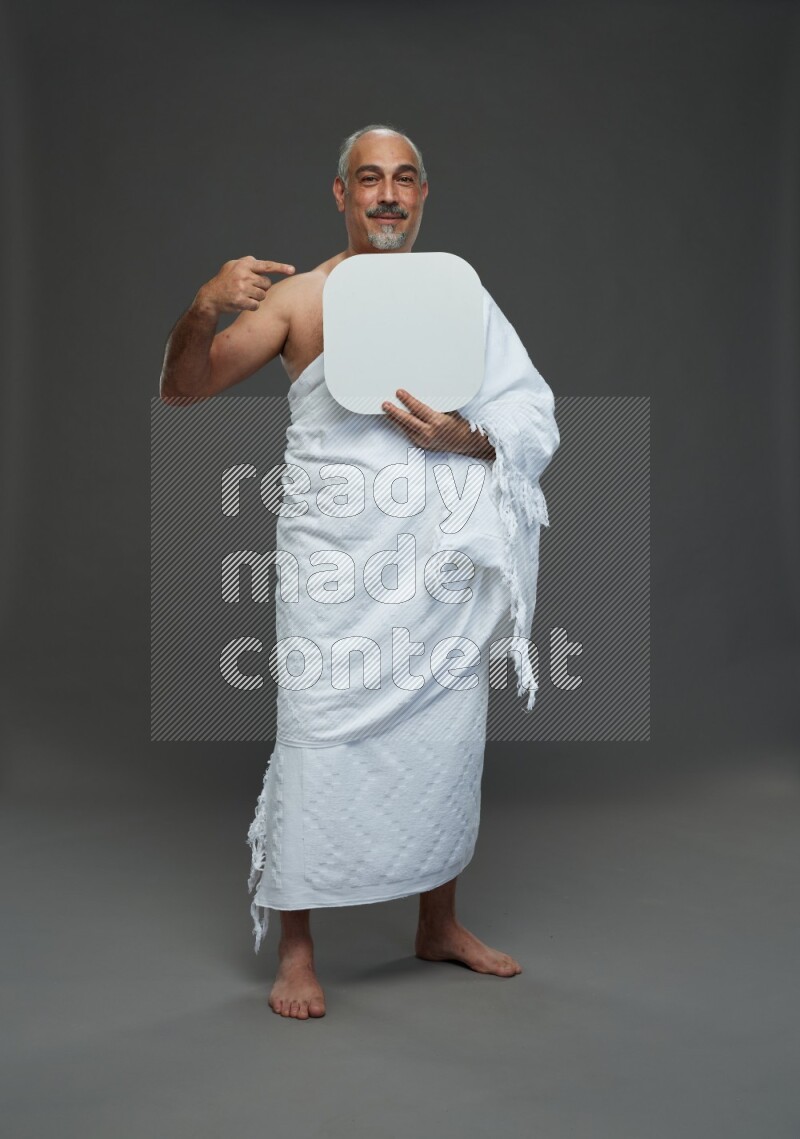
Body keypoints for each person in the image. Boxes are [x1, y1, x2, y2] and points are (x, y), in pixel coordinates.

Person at [159, 124, 560, 1020]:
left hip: (441, 568)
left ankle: (438, 923)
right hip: (337, 566)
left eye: (405, 179)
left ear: (423, 197)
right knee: (316, 733)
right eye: (369, 179)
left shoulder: (463, 295)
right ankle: (298, 951)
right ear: (340, 195)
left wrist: (469, 438)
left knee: (447, 738)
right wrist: (203, 304)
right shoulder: (300, 299)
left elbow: (528, 407)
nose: (387, 193)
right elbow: (184, 389)